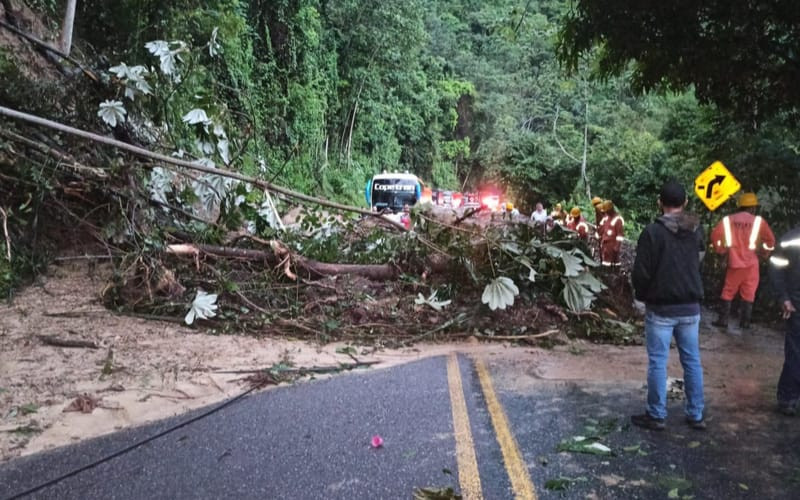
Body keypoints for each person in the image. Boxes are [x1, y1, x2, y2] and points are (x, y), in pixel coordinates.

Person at [631, 180, 706, 431]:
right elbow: (699, 263)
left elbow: (641, 272)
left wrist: (642, 297)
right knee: (692, 361)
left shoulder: (652, 232)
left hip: (661, 309)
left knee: (658, 362)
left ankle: (657, 415)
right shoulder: (697, 230)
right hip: (690, 308)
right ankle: (696, 414)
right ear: (685, 203)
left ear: (660, 203)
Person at [709, 192, 776, 329]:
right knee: (749, 293)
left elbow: (715, 236)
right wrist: (764, 253)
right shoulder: (758, 221)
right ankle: (745, 323)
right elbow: (770, 241)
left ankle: (723, 321)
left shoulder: (728, 220)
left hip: (734, 262)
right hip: (752, 263)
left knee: (728, 291)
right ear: (752, 208)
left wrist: (722, 250)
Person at [768, 226, 800, 416]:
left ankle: (788, 398)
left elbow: (775, 269)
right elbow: (777, 268)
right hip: (796, 304)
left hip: (794, 302)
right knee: (796, 352)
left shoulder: (790, 238)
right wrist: (784, 298)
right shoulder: (790, 239)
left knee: (795, 351)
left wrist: (784, 298)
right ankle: (788, 398)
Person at [598, 200, 624, 266]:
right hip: (605, 243)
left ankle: (615, 271)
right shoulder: (606, 217)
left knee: (614, 261)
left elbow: (620, 235)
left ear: (611, 210)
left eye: (607, 211)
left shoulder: (618, 219)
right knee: (605, 261)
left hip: (612, 245)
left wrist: (617, 246)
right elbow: (602, 228)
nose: (606, 212)